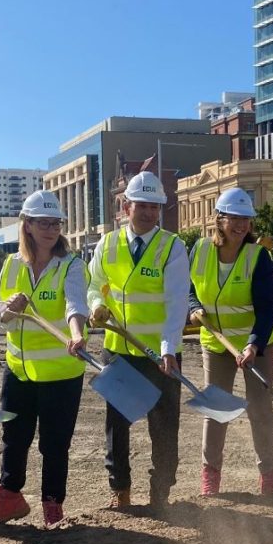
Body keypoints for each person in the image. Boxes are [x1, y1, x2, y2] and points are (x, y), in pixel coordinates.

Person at [0, 191, 88, 529]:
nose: (51, 229)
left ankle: (53, 505)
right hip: (19, 370)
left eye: (56, 223)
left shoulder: (71, 265)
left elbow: (75, 304)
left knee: (54, 443)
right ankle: (9, 497)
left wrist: (77, 333)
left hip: (60, 372)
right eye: (43, 223)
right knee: (14, 436)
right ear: (27, 225)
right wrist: (10, 308)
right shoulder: (11, 265)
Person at [88, 171, 187, 509]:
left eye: (154, 207)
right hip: (118, 351)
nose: (148, 212)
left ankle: (161, 492)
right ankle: (121, 492)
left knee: (163, 428)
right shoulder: (107, 243)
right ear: (126, 205)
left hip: (161, 355)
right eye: (141, 205)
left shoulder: (171, 246)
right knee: (117, 426)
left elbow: (176, 304)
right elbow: (94, 284)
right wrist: (97, 305)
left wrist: (168, 349)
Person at [188, 188, 273, 495]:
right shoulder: (199, 250)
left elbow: (267, 309)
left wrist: (254, 345)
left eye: (246, 219)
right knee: (216, 410)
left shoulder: (259, 257)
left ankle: (268, 477)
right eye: (234, 218)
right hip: (216, 343)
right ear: (219, 219)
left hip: (258, 343)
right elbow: (189, 289)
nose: (241, 225)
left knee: (260, 409)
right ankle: (210, 478)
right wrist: (193, 308)